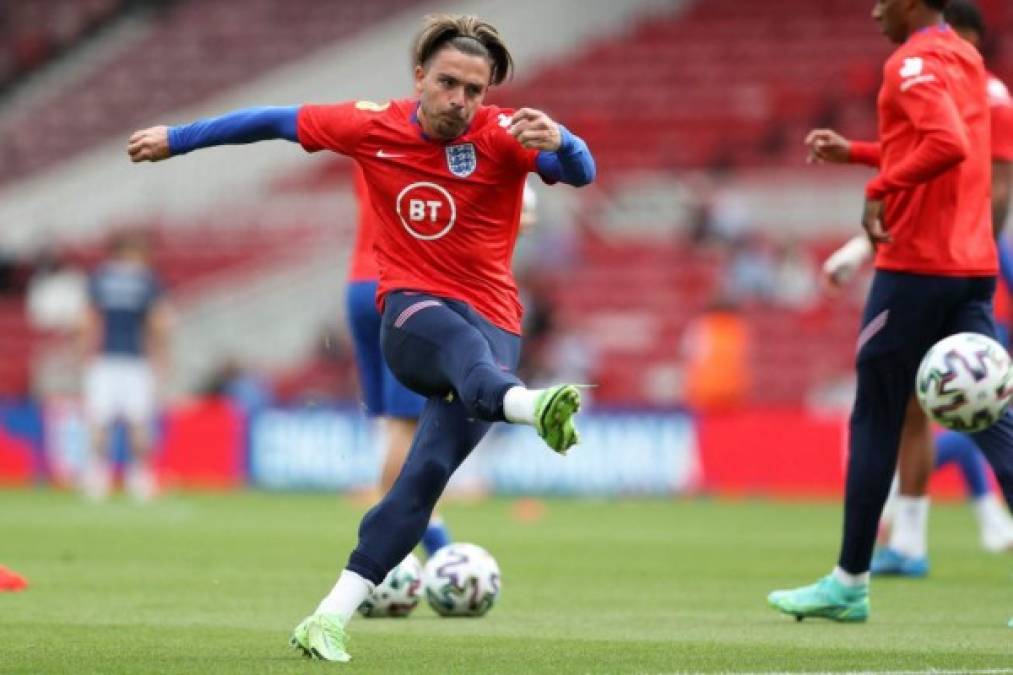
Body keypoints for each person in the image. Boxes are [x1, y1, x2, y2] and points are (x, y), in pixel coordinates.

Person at [127, 13, 595, 661]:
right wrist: (177, 139)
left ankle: (326, 616)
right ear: (419, 78)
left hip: (496, 324)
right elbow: (271, 119)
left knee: (421, 478)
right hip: (410, 314)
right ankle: (530, 405)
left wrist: (564, 139)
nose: (460, 101)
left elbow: (581, 173)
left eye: (474, 90)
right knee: (463, 351)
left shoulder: (504, 134)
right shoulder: (371, 123)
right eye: (448, 83)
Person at [767, 0, 1013, 623]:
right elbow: (938, 150)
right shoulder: (965, 58)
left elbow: (945, 145)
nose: (874, 10)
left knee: (876, 415)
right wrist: (854, 153)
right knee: (993, 419)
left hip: (916, 269)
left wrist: (876, 190)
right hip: (971, 267)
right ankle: (860, 571)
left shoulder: (910, 63)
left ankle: (849, 581)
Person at [79, 231, 172, 502]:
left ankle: (97, 478)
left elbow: (88, 319)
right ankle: (140, 478)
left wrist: (84, 352)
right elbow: (158, 322)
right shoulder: (146, 280)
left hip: (104, 359)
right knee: (139, 421)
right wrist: (162, 355)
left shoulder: (100, 278)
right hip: (135, 360)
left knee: (99, 420)